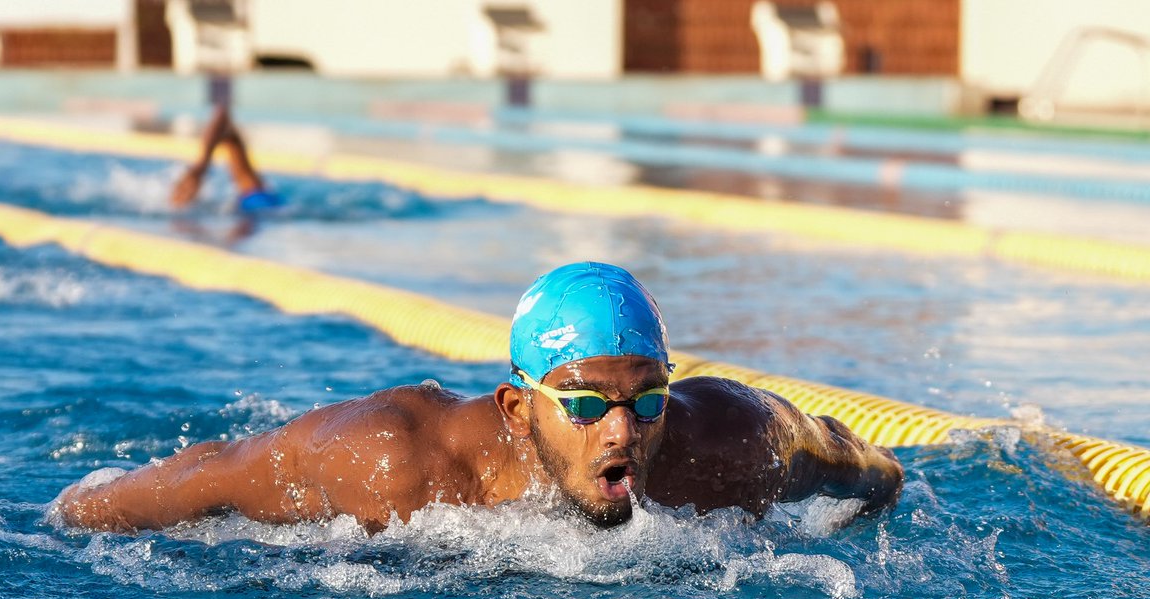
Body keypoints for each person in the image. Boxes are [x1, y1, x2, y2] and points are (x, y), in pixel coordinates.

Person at [54, 262, 903, 535]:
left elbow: (872, 470)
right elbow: (218, 471)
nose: (623, 432)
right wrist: (75, 514)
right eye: (583, 404)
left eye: (646, 402)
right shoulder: (400, 465)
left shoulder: (734, 443)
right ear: (514, 405)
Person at [170, 102, 285, 215]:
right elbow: (224, 121)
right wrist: (201, 167)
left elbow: (224, 121)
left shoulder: (258, 199)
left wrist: (201, 166)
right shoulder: (259, 199)